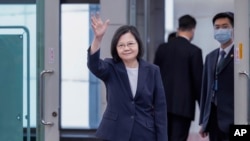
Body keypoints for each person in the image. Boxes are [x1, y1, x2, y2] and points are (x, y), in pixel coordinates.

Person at [87, 13, 168, 141]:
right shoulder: (110, 67)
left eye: (130, 44)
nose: (126, 48)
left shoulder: (153, 71)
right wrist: (98, 38)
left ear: (138, 45)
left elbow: (160, 109)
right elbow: (94, 65)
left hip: (144, 133)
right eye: (121, 45)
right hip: (113, 132)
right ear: (116, 48)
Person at [154, 14, 203, 141]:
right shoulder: (194, 51)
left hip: (161, 105)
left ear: (178, 28)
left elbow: (154, 76)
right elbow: (198, 83)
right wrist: (204, 112)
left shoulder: (162, 48)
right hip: (183, 108)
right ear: (193, 30)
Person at [199, 12, 234, 141]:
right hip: (214, 120)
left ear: (233, 29)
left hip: (235, 118)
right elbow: (205, 90)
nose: (220, 30)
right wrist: (204, 121)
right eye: (217, 27)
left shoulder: (241, 56)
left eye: (225, 26)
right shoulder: (210, 57)